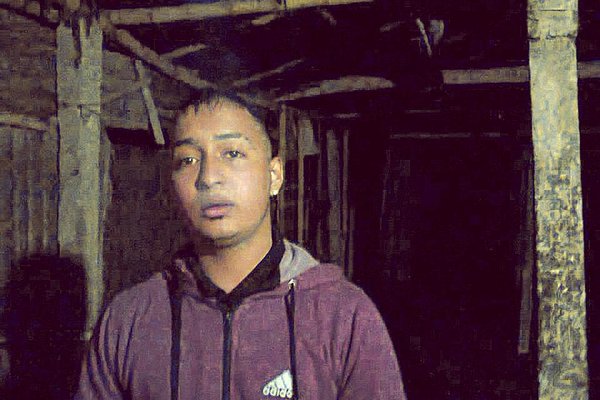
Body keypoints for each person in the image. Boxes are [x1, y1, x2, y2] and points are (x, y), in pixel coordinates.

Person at [75, 91, 406, 400]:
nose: (208, 177)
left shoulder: (343, 316)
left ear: (274, 175)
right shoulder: (131, 319)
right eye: (188, 160)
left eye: (232, 153)